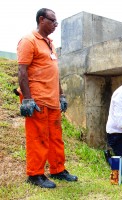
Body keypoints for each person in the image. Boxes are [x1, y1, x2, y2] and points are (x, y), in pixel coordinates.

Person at [17, 8, 77, 189]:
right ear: (41, 19)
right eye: (53, 21)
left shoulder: (49, 44)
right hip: (37, 101)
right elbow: (22, 71)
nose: (55, 25)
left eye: (57, 22)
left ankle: (58, 169)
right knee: (38, 139)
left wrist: (62, 95)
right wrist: (27, 99)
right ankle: (35, 174)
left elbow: (54, 73)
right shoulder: (29, 41)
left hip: (52, 101)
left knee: (56, 138)